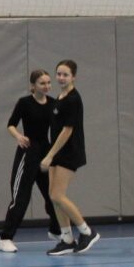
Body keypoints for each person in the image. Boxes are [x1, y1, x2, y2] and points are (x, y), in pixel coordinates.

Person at [0, 70, 62, 252]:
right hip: (28, 152)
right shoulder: (24, 103)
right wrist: (18, 136)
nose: (47, 86)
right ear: (33, 86)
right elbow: (11, 124)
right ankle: (5, 238)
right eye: (42, 83)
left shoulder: (54, 104)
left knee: (53, 195)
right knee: (21, 198)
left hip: (46, 153)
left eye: (49, 83)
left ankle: (56, 230)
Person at [42, 60, 101, 256]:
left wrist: (49, 155)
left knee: (57, 195)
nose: (61, 77)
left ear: (73, 77)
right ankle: (67, 239)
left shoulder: (73, 99)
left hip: (69, 152)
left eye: (65, 74)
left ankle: (87, 232)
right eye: (58, 74)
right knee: (53, 197)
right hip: (57, 151)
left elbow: (67, 131)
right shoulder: (59, 97)